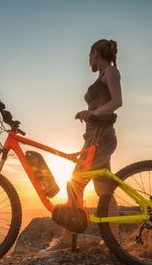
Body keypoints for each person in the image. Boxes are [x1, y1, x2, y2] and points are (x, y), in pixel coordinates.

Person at [40, 38, 123, 253]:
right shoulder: (101, 76)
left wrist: (93, 113)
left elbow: (117, 101)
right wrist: (88, 115)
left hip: (101, 138)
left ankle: (68, 237)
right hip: (94, 137)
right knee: (104, 190)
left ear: (96, 53)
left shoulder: (111, 72)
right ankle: (113, 241)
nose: (88, 59)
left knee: (74, 183)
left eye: (89, 54)